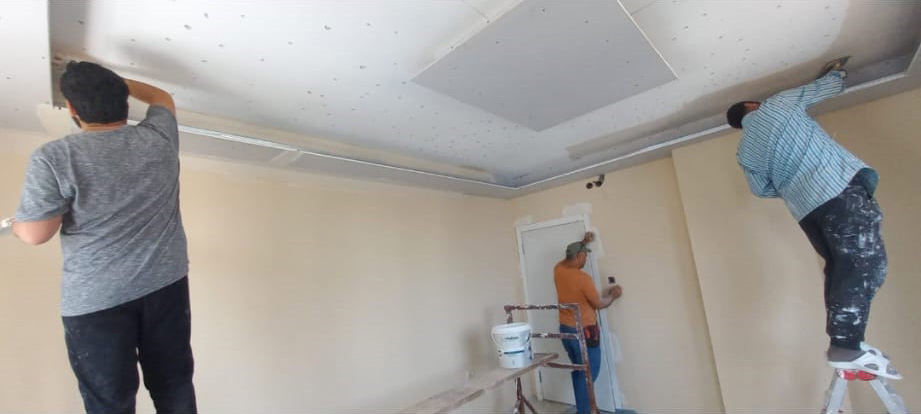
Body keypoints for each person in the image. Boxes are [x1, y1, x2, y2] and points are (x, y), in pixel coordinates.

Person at [10, 61, 198, 413]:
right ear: (124, 100)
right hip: (166, 285)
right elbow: (161, 96)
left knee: (111, 402)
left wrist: (18, 225)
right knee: (174, 384)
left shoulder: (54, 157)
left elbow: (35, 235)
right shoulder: (158, 138)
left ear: (72, 108)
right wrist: (111, 82)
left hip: (97, 300)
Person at [726, 61, 900, 380]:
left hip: (808, 212)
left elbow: (760, 189)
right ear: (752, 105)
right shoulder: (777, 105)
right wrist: (837, 74)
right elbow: (822, 88)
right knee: (865, 263)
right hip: (837, 191)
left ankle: (844, 343)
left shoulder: (745, 151)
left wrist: (794, 187)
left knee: (841, 267)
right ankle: (846, 344)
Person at [554, 232, 622, 414]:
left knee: (579, 370)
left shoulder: (558, 269)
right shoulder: (583, 279)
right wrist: (613, 296)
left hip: (566, 330)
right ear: (579, 256)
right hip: (584, 332)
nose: (586, 260)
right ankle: (585, 411)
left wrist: (583, 242)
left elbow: (569, 258)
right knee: (589, 372)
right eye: (584, 256)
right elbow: (599, 304)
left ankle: (586, 408)